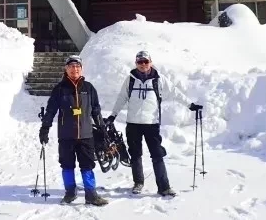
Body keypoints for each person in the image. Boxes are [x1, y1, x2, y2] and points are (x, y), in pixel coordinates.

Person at [107, 50, 203, 197]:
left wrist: (190, 105)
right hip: (133, 123)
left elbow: (175, 92)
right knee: (135, 154)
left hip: (151, 123)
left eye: (146, 61)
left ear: (150, 62)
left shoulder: (159, 79)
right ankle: (138, 182)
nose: (143, 64)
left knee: (157, 154)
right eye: (140, 62)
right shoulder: (130, 79)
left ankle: (164, 187)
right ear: (136, 63)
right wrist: (113, 115)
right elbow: (121, 98)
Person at [39, 55, 109, 206]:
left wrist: (102, 128)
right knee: (67, 165)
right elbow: (51, 110)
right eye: (71, 66)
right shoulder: (60, 89)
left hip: (86, 135)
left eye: (77, 66)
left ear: (81, 69)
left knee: (87, 165)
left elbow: (96, 110)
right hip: (66, 136)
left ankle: (91, 194)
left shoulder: (89, 88)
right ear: (66, 69)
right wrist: (45, 128)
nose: (74, 69)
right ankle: (70, 192)